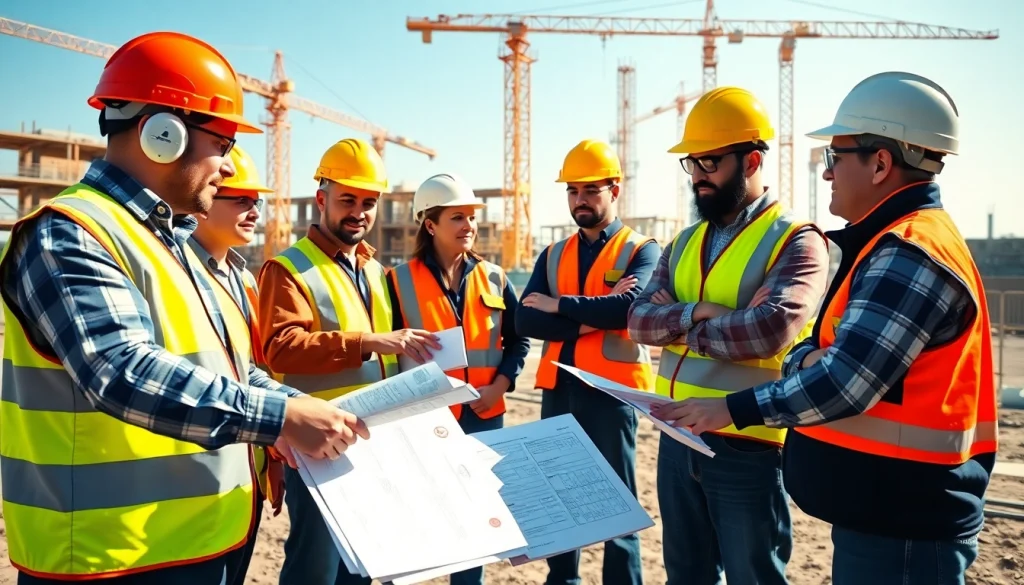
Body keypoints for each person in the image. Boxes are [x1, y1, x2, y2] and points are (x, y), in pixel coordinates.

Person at [0, 32, 368, 585]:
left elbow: (227, 367)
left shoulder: (172, 242)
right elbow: (118, 371)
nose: (228, 166)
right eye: (221, 142)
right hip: (111, 559)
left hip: (202, 543)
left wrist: (295, 407)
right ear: (160, 133)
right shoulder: (68, 232)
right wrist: (279, 418)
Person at [654, 71, 996, 585]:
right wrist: (797, 354)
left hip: (904, 523)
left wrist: (733, 404)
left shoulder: (909, 252)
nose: (827, 174)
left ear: (881, 163)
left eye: (835, 157)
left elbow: (835, 375)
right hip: (885, 510)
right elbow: (811, 350)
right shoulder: (884, 246)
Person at [626, 85, 830, 585]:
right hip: (677, 437)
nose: (697, 176)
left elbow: (770, 330)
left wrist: (678, 324)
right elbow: (636, 321)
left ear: (753, 161)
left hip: (747, 443)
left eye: (710, 163)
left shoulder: (797, 239)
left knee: (751, 577)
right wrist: (702, 311)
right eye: (692, 164)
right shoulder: (683, 242)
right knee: (686, 577)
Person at [258, 137, 441, 585]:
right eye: (347, 200)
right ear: (321, 199)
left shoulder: (375, 271)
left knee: (362, 566)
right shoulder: (288, 268)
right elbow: (279, 348)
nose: (358, 211)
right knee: (314, 569)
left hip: (372, 442)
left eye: (368, 202)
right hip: (317, 444)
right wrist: (367, 341)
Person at [515, 139, 660, 585]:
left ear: (614, 190)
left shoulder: (643, 250)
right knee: (558, 498)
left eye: (591, 190)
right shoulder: (553, 254)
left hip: (612, 392)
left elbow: (629, 309)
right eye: (573, 190)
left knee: (617, 501)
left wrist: (559, 306)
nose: (581, 199)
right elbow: (524, 318)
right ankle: (564, 580)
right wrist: (590, 315)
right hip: (559, 390)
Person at [385, 172, 531, 585]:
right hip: (423, 419)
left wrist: (499, 387)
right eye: (458, 217)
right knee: (421, 511)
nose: (470, 226)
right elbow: (389, 350)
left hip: (485, 413)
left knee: (475, 515)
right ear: (430, 224)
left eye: (472, 217)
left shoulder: (496, 277)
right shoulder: (396, 280)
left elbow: (518, 341)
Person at [187, 143, 287, 585]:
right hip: (197, 479)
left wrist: (272, 454)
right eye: (241, 200)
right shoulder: (179, 268)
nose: (253, 211)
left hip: (245, 476)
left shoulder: (244, 277)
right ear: (206, 201)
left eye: (256, 202)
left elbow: (247, 370)